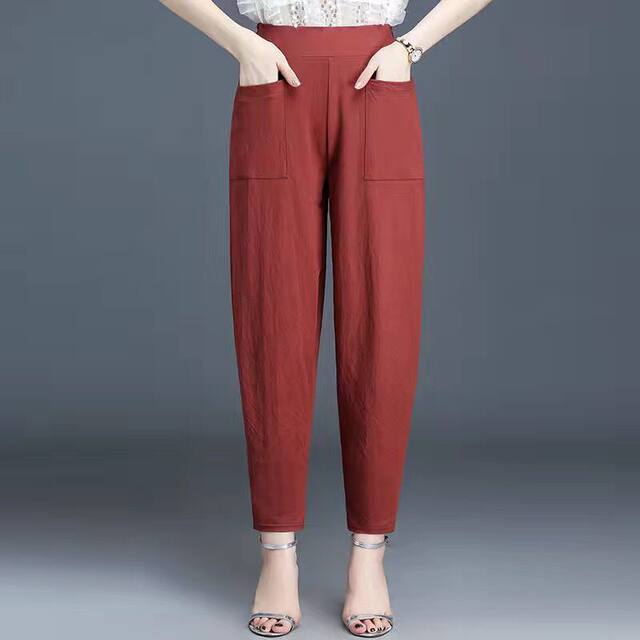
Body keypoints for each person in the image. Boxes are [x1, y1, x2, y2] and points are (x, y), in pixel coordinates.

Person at [159, 0, 492, 635]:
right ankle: (276, 554)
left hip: (377, 75)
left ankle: (370, 554)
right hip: (275, 72)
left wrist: (411, 47)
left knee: (383, 314)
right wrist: (240, 43)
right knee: (271, 315)